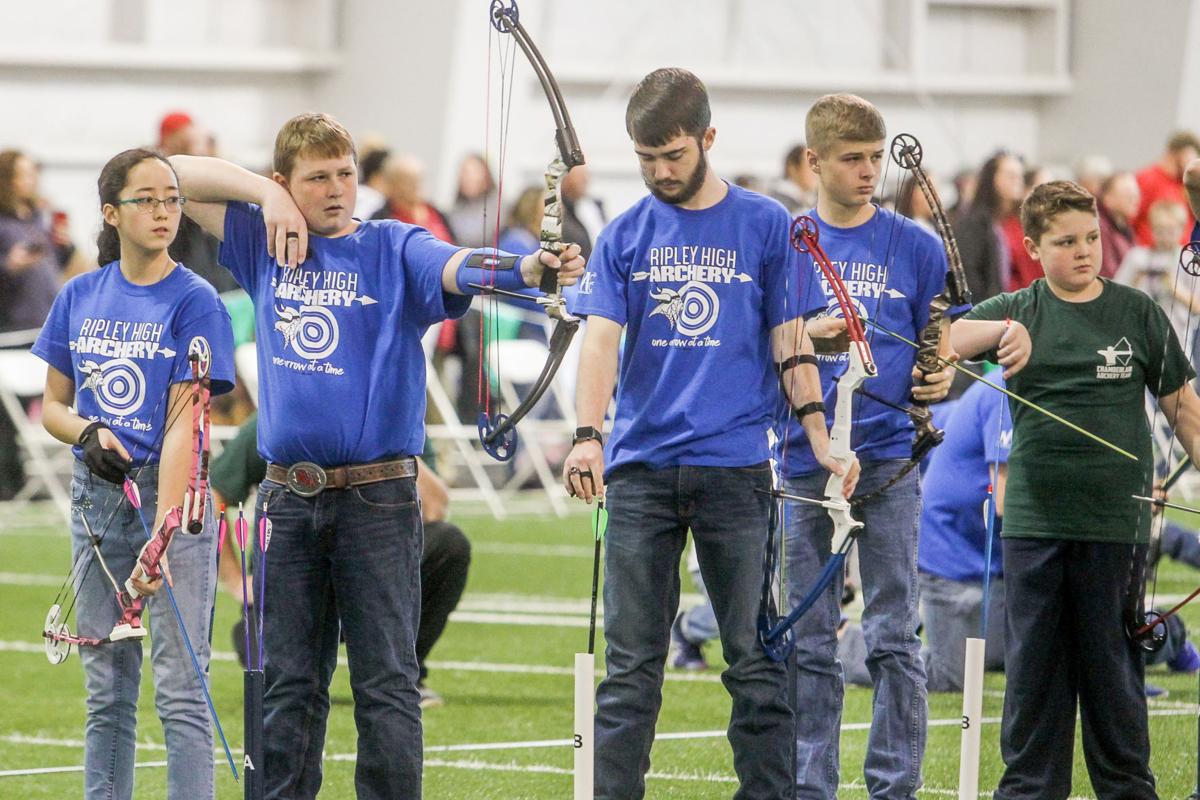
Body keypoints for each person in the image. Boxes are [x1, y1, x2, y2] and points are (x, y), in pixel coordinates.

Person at [169, 111, 582, 799]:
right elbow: (166, 175)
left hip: (378, 503)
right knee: (285, 686)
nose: (336, 189)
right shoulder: (265, 238)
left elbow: (460, 266)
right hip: (288, 500)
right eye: (317, 178)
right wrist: (264, 197)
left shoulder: (394, 246)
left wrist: (531, 267)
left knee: (386, 683)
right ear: (286, 183)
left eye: (346, 174)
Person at [561, 68, 852, 799]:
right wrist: (587, 434)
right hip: (640, 478)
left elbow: (791, 342)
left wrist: (819, 437)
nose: (660, 172)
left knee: (755, 659)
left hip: (735, 475)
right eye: (646, 158)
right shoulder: (625, 233)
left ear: (708, 139)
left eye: (674, 155)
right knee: (630, 671)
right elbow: (598, 342)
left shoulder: (767, 226)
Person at [954, 180, 1200, 800]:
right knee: (1035, 676)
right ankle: (1031, 791)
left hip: (1116, 524)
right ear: (1034, 247)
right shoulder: (1021, 306)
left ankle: (1127, 790)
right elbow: (941, 343)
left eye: (1091, 237)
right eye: (1066, 242)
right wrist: (998, 337)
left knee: (1114, 676)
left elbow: (1184, 409)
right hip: (1036, 523)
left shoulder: (1137, 311)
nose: (1085, 251)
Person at [774, 92, 965, 800]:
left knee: (892, 635)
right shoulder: (784, 241)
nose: (867, 172)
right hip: (804, 462)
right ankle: (807, 786)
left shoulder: (914, 243)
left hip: (888, 461)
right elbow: (768, 341)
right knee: (811, 639)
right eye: (851, 159)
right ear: (813, 161)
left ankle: (894, 787)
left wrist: (938, 368)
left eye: (875, 159)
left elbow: (941, 332)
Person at [31, 148, 235, 800]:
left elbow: (186, 423)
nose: (164, 211)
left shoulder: (196, 301)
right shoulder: (78, 295)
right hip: (97, 499)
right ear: (112, 211)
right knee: (108, 688)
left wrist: (165, 529)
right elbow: (53, 408)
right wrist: (88, 433)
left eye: (172, 198)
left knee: (181, 687)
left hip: (170, 500)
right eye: (147, 199)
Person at [208, 414, 471, 709]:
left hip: (368, 577)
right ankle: (269, 637)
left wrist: (390, 437)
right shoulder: (280, 417)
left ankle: (405, 673)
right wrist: (237, 582)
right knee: (285, 687)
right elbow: (214, 496)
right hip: (297, 581)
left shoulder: (402, 423)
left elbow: (434, 509)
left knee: (449, 544)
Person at [918, 376, 1009, 692]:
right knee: (950, 677)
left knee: (1027, 652)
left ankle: (1167, 637)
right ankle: (850, 645)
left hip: (992, 561)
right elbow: (1004, 501)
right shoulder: (1005, 390)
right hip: (950, 555)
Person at [954, 151, 1025, 302]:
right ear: (992, 179)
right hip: (985, 311)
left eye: (1020, 176)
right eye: (1011, 176)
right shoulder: (973, 222)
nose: (1018, 182)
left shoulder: (1013, 221)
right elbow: (968, 274)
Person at [1132, 131, 1200, 246]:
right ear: (1176, 154)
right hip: (1152, 255)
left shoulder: (1183, 183)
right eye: (1189, 156)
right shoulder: (1147, 179)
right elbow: (1132, 220)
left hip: (1183, 255)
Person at [446, 152, 498, 248]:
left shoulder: (497, 204)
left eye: (471, 173)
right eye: (463, 173)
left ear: (485, 176)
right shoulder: (458, 206)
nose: (465, 178)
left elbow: (478, 237)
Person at [1097, 171, 1139, 279]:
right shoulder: (1101, 230)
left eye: (1136, 193)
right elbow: (1108, 275)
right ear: (1108, 199)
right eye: (1128, 194)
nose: (1134, 199)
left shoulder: (1124, 226)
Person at [769, 142, 820, 214]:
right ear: (792, 169)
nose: (815, 171)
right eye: (810, 165)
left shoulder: (805, 201)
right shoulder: (781, 206)